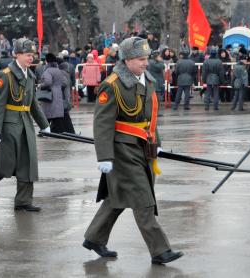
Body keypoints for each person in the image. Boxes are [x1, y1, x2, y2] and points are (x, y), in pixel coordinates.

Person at [83, 37, 183, 264]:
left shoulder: (147, 80)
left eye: (146, 58)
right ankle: (160, 251)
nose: (145, 63)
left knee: (117, 197)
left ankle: (94, 238)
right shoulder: (112, 84)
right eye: (140, 59)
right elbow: (102, 124)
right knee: (142, 197)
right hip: (122, 151)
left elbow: (151, 118)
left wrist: (155, 143)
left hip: (143, 147)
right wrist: (105, 156)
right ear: (127, 60)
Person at [0, 38, 50, 211]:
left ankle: (23, 201)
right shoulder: (6, 75)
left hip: (25, 123)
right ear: (17, 55)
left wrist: (44, 125)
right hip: (9, 125)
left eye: (33, 55)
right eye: (28, 55)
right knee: (5, 163)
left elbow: (33, 104)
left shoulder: (30, 75)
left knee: (27, 163)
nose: (31, 58)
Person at [39, 53, 69, 133]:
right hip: (58, 94)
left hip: (49, 95)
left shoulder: (47, 71)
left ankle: (45, 131)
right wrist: (58, 87)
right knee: (55, 114)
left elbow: (48, 82)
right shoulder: (58, 70)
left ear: (47, 61)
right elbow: (65, 83)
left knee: (48, 113)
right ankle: (46, 130)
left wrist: (40, 86)